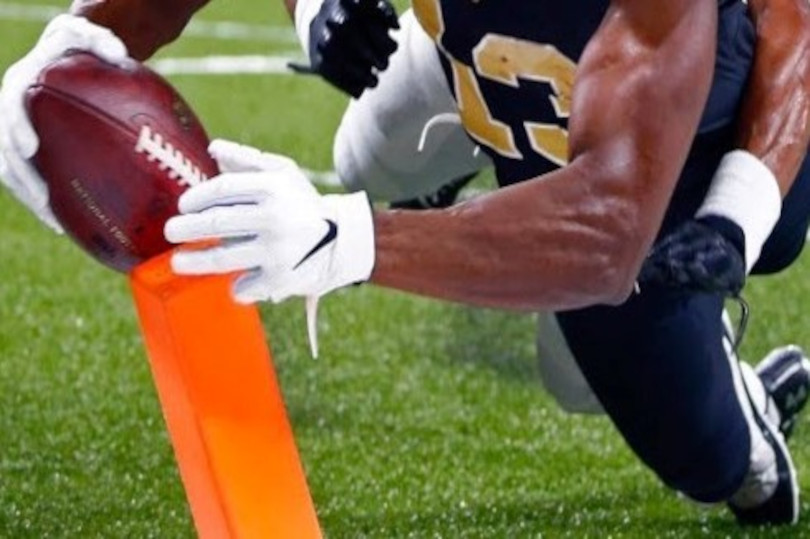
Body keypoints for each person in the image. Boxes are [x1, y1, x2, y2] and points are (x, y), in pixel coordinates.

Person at [1, 0, 808, 529]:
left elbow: (606, 234)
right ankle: (470, 196)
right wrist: (78, 44)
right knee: (366, 149)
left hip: (672, 164)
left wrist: (345, 243)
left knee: (662, 431)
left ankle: (746, 425)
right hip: (502, 71)